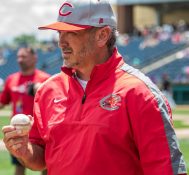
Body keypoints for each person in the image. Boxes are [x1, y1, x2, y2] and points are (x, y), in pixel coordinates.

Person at [2, 0, 187, 175]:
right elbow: (41, 158)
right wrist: (25, 151)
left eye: (71, 33)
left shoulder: (140, 93)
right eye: (60, 33)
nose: (61, 42)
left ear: (102, 35)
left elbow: (166, 169)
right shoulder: (47, 90)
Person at [0, 47, 50, 175]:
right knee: (19, 168)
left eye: (24, 56)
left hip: (42, 134)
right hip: (18, 133)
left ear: (34, 58)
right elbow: (3, 101)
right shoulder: (11, 79)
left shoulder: (46, 79)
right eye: (18, 57)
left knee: (46, 168)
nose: (20, 60)